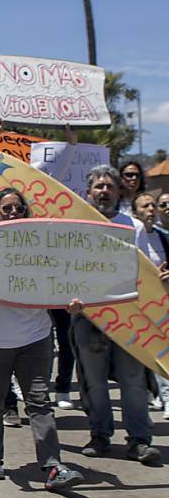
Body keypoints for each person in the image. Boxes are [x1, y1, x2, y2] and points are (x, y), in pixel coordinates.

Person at [0, 187, 85, 490]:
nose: (14, 214)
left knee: (39, 402)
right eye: (7, 209)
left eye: (19, 209)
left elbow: (59, 283)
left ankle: (53, 466)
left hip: (35, 337)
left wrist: (71, 303)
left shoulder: (41, 245)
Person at [72, 165, 161, 463]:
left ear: (118, 191)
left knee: (133, 380)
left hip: (128, 317)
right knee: (93, 381)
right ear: (88, 192)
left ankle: (139, 439)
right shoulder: (75, 226)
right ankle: (100, 435)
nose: (104, 191)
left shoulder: (133, 227)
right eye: (98, 186)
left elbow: (147, 271)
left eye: (109, 186)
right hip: (88, 316)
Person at [131, 192, 169, 420]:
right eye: (145, 206)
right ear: (135, 213)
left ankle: (166, 399)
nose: (151, 210)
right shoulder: (130, 236)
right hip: (137, 304)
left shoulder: (163, 238)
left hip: (161, 302)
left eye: (154, 205)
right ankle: (148, 393)